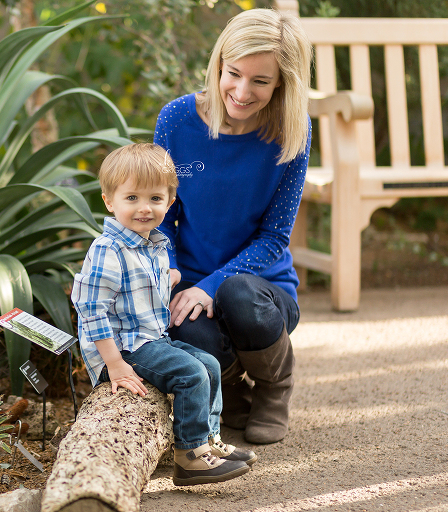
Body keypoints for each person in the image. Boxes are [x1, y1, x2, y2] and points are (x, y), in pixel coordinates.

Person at [154, 8, 312, 445]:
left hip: (263, 293)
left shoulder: (293, 130)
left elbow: (274, 238)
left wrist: (213, 285)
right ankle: (235, 393)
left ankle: (275, 388)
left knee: (237, 293)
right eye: (233, 74)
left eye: (260, 81)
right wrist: (167, 268)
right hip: (190, 284)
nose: (242, 92)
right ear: (218, 64)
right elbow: (162, 216)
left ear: (282, 83)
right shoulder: (177, 120)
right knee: (183, 328)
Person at [71, 143, 257, 487]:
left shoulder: (153, 244)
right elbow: (90, 309)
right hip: (125, 347)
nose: (144, 208)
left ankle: (207, 440)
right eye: (131, 199)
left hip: (151, 337)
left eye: (155, 199)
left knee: (211, 365)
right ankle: (188, 458)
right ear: (109, 201)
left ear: (170, 202)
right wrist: (113, 363)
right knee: (190, 374)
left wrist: (167, 277)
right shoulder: (108, 249)